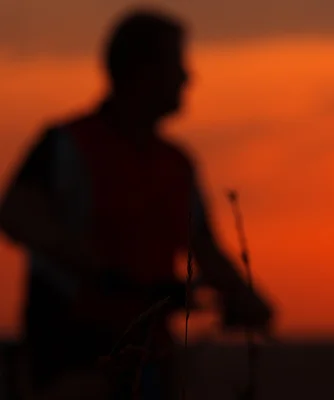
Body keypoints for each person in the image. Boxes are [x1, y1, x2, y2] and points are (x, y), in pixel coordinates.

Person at [0, 8, 273, 399]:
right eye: (176, 63)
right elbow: (15, 213)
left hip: (152, 354)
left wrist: (245, 296)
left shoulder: (177, 163)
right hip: (76, 354)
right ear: (139, 70)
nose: (186, 77)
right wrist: (91, 265)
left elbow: (204, 247)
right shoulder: (68, 144)